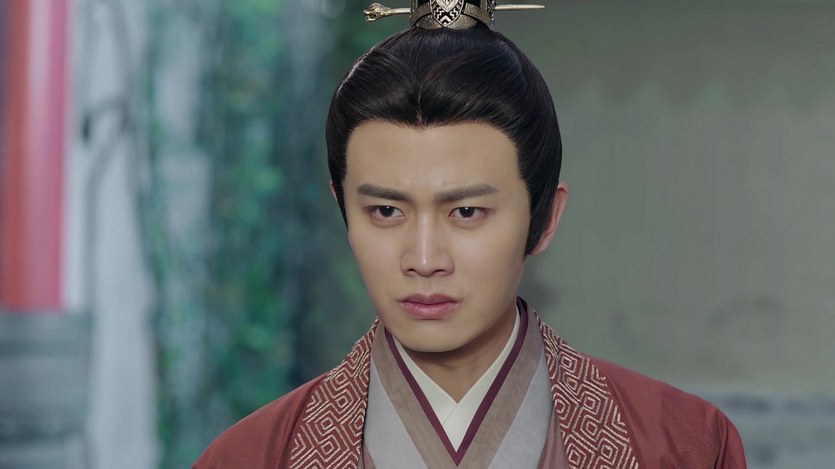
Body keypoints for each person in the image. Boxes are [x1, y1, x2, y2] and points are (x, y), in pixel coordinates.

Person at [194, 1, 747, 467]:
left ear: (544, 218)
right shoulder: (247, 458)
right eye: (385, 211)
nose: (424, 258)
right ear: (344, 211)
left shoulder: (685, 448)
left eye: (465, 212)